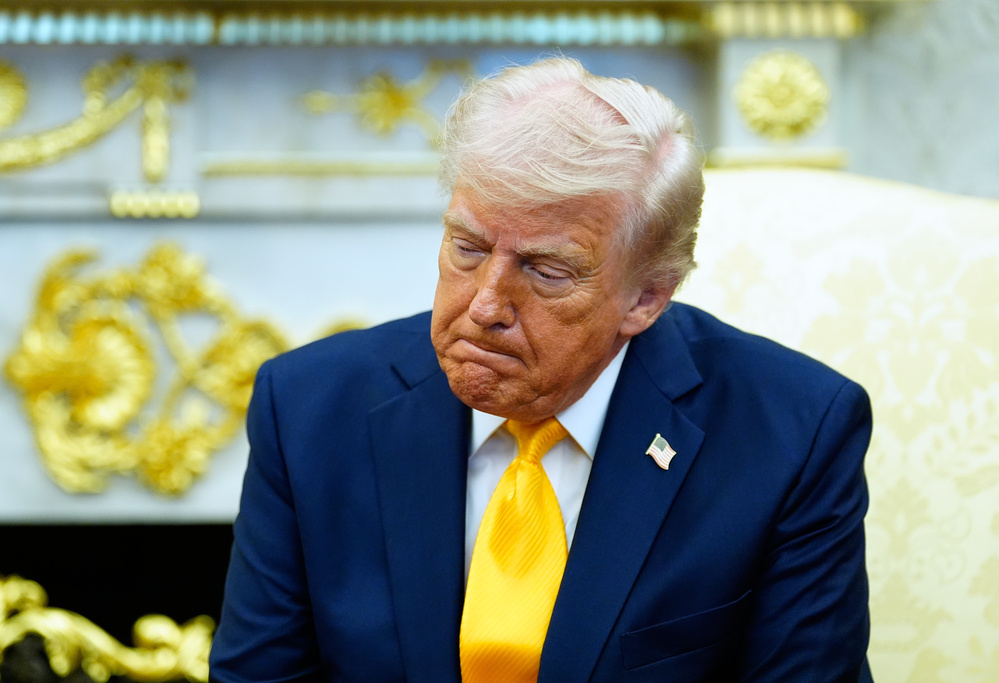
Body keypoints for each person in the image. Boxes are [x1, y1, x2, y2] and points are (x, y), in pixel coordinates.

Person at [210, 57, 872, 683]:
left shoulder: (791, 434)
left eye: (546, 270)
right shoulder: (308, 409)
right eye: (467, 247)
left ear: (646, 296)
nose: (486, 304)